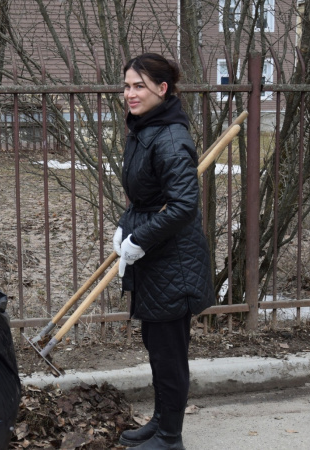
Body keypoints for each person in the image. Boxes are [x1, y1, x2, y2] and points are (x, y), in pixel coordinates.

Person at [113, 53, 215, 449]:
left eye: (139, 86)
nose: (130, 94)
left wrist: (139, 239)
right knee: (157, 347)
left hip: (175, 262)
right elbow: (147, 197)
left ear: (162, 88)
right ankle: (161, 421)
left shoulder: (171, 137)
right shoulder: (145, 130)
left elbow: (184, 205)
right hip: (157, 258)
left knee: (170, 353)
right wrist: (124, 227)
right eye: (126, 86)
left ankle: (171, 438)